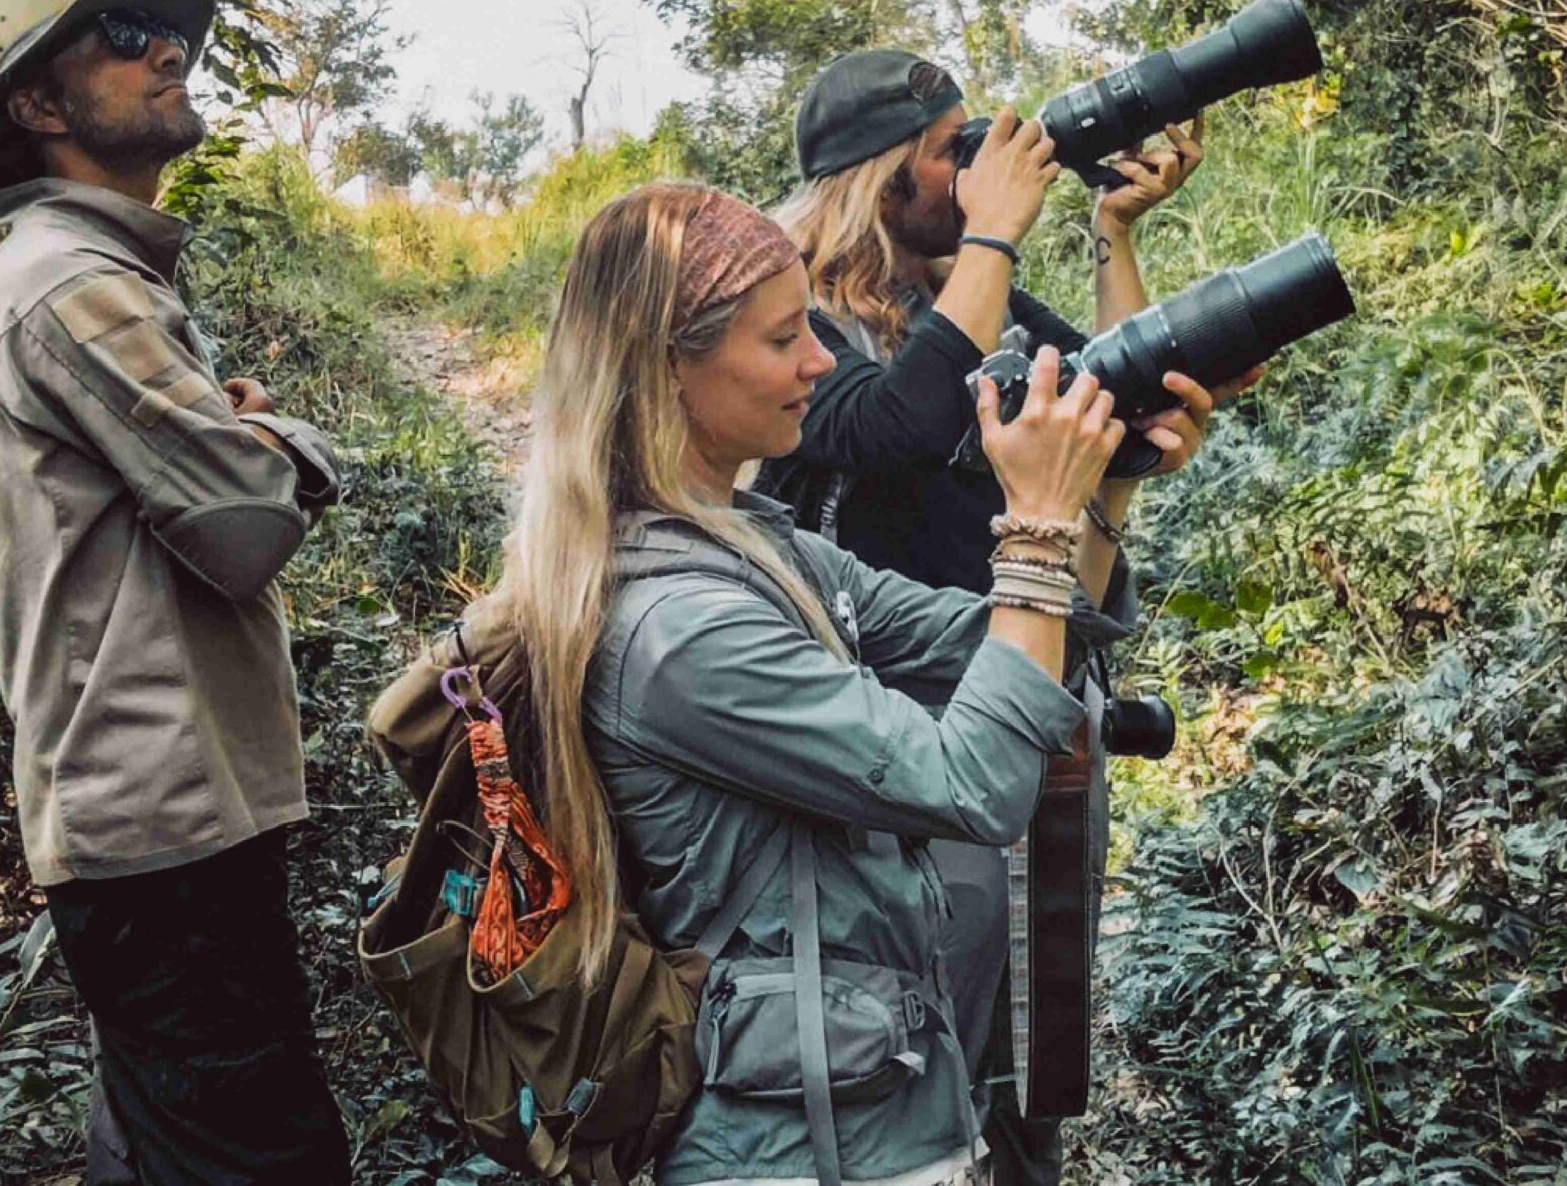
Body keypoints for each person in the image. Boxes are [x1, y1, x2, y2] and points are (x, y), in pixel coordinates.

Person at [489, 182, 1221, 1185]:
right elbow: (973, 781)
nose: (821, 361)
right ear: (670, 367)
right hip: (795, 1150)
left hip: (873, 1100)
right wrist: (1035, 524)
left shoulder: (754, 546)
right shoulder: (677, 630)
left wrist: (1101, 486)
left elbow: (1006, 641)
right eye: (784, 337)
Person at [753, 51, 1231, 1183]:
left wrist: (1114, 235)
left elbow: (1109, 384)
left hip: (1033, 703)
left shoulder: (971, 294)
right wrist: (996, 233)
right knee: (926, 1049)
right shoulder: (797, 325)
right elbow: (895, 424)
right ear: (877, 181)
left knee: (1037, 1046)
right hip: (902, 745)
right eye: (947, 153)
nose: (973, 173)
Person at [0, 0, 350, 1185]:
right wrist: (281, 441)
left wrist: (227, 443)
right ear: (39, 106)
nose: (167, 51)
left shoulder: (83, 279)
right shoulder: (74, 288)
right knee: (264, 1154)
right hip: (165, 822)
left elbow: (200, 489)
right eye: (123, 35)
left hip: (159, 808)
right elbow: (242, 522)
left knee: (172, 1134)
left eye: (169, 33)